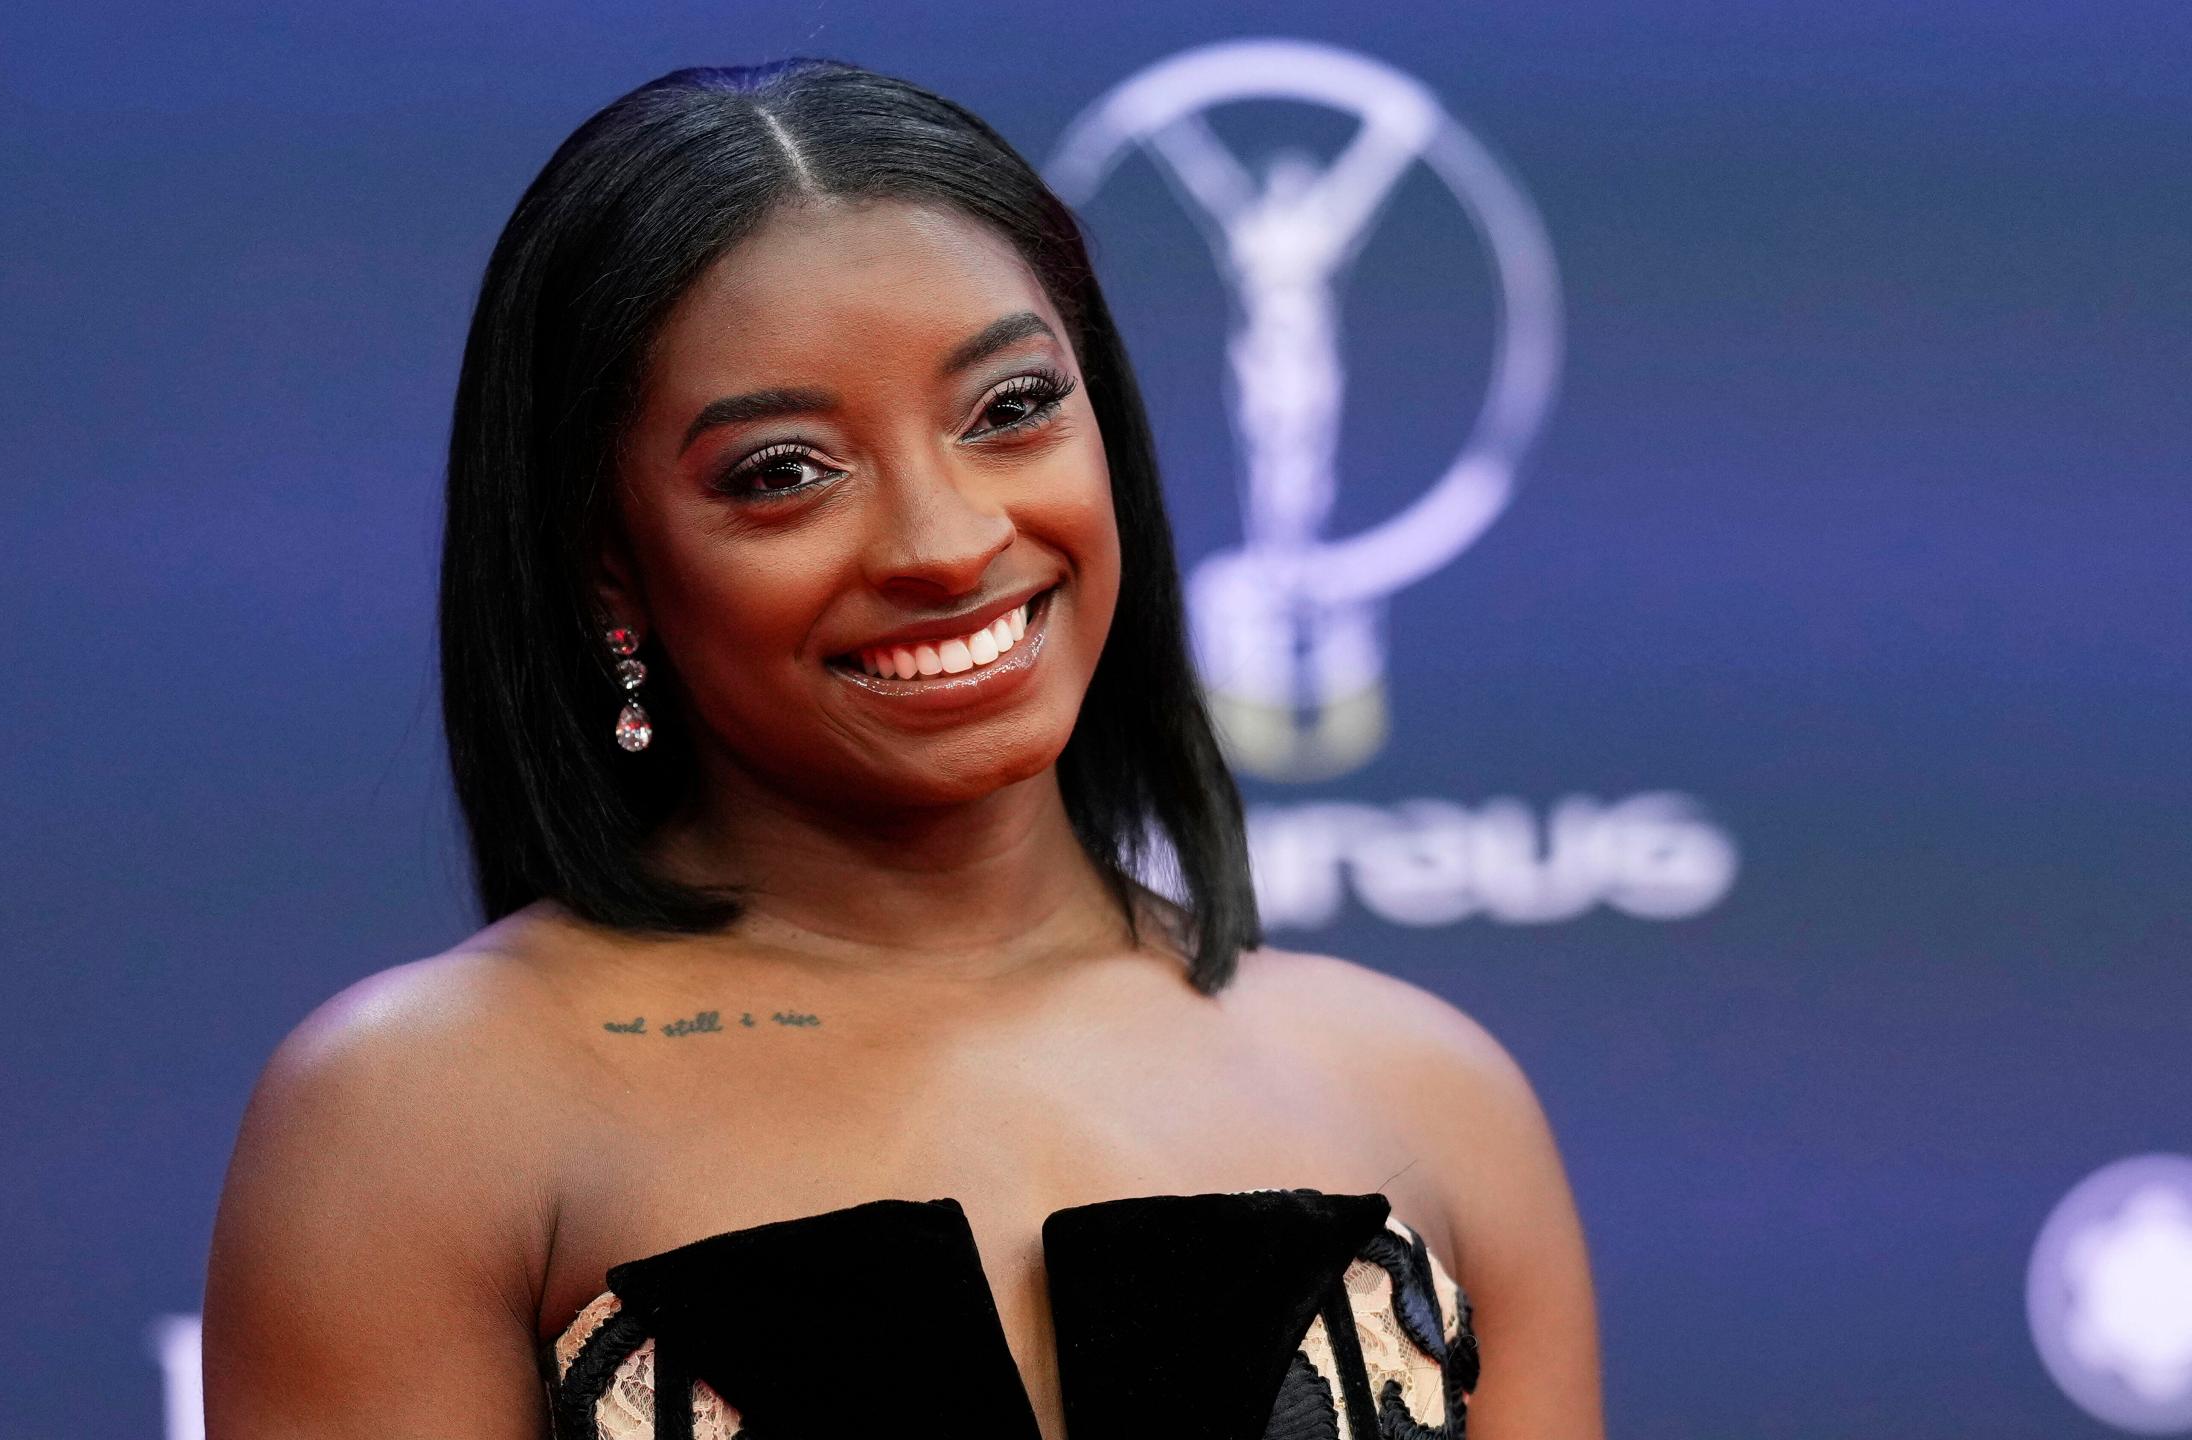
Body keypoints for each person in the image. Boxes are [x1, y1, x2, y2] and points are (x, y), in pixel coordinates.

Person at [199, 58, 1602, 1440]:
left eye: (1012, 409)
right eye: (784, 474)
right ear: (608, 565)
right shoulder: (420, 1118)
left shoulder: (1427, 1095)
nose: (946, 542)